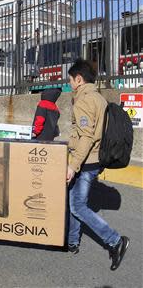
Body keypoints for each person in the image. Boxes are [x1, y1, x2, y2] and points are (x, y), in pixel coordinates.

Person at [66, 59, 129, 271]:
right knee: (75, 201)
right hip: (96, 158)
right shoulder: (98, 98)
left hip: (86, 161)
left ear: (79, 79)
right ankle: (72, 242)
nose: (69, 85)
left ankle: (115, 240)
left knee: (77, 205)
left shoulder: (84, 100)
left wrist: (73, 166)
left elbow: (85, 137)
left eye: (70, 81)